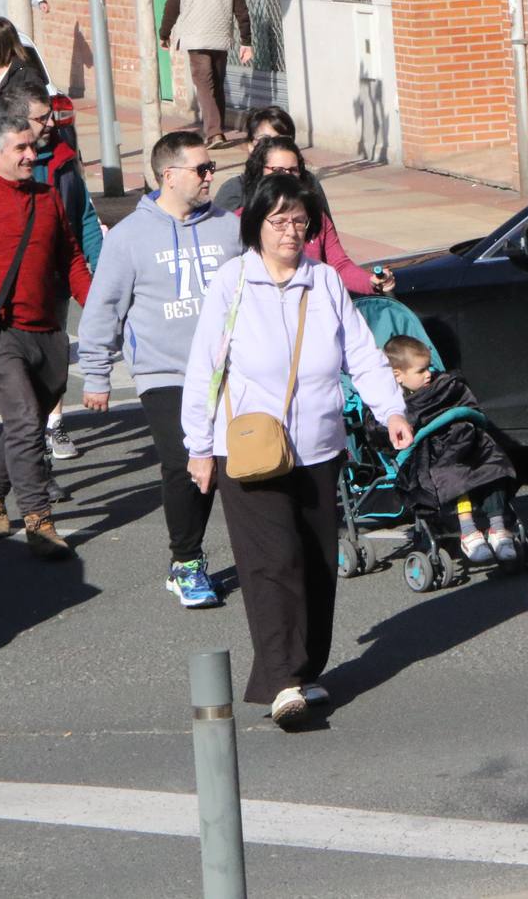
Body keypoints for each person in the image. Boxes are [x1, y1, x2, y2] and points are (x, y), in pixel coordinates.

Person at [180, 174, 412, 725]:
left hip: (317, 446)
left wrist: (392, 411)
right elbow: (204, 371)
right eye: (279, 221)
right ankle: (282, 681)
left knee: (313, 562)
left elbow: (361, 351)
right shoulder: (232, 284)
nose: (291, 232)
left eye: (300, 221)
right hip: (250, 451)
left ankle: (305, 670)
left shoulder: (324, 282)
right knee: (272, 562)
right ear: (255, 225)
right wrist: (198, 446)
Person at [77, 131, 243, 608]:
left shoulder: (227, 227)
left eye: (211, 168)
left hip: (227, 371)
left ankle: (262, 552)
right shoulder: (131, 235)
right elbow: (104, 307)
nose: (212, 176)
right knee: (184, 463)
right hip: (164, 373)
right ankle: (186, 563)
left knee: (233, 463)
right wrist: (96, 373)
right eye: (202, 169)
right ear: (169, 176)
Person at [0, 115, 91, 558]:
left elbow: (71, 259)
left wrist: (99, 310)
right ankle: (39, 520)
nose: (33, 155)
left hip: (47, 332)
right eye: (21, 149)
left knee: (20, 423)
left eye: (32, 147)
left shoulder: (48, 199)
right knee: (28, 421)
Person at [0, 82, 105, 466]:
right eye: (42, 118)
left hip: (53, 288)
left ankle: (51, 425)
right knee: (22, 402)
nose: (51, 124)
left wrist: (100, 276)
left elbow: (84, 218)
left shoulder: (63, 157)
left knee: (47, 377)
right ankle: (34, 488)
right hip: (1, 305)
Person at [383, 335, 518, 563]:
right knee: (455, 472)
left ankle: (498, 528)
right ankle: (468, 531)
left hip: (462, 443)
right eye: (421, 371)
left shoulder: (444, 387)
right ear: (398, 375)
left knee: (491, 464)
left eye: (429, 367)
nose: (429, 374)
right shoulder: (393, 406)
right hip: (429, 457)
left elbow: (465, 402)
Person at [236, 137, 392, 295]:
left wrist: (371, 282)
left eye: (293, 170)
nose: (287, 176)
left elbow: (339, 265)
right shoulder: (238, 221)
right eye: (278, 170)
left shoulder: (317, 217)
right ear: (259, 171)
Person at [159, 0, 253, 148]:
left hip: (195, 36)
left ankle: (214, 133)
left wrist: (164, 33)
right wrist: (246, 40)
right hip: (220, 35)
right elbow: (241, 9)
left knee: (204, 84)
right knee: (216, 82)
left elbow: (172, 6)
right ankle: (216, 130)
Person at [213, 106, 332, 215]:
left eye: (282, 140)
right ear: (250, 145)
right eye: (265, 140)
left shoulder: (309, 182)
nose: (275, 146)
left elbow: (327, 232)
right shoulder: (235, 190)